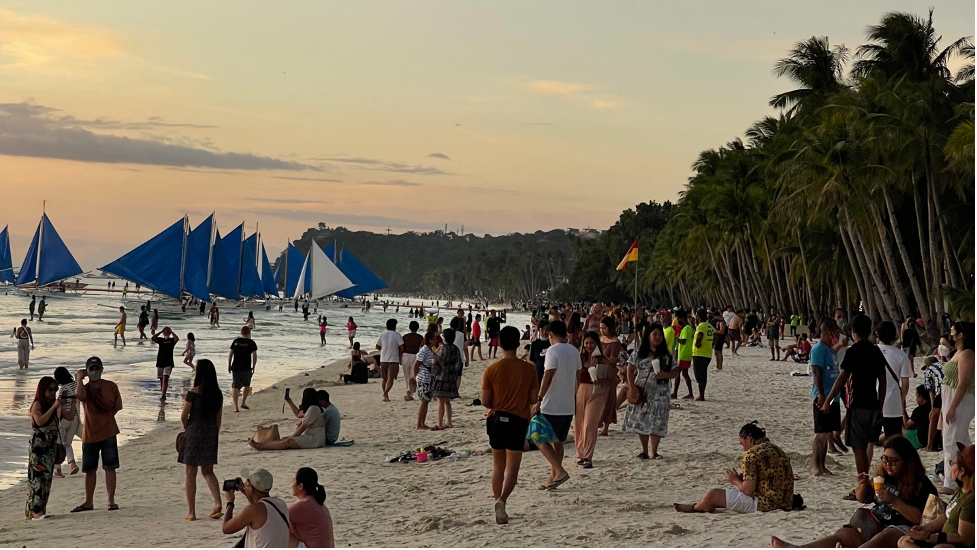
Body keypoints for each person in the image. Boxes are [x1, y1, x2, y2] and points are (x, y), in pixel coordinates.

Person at [772, 436, 938, 549]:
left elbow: (924, 519)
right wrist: (862, 486)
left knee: (882, 538)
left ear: (907, 461)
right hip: (874, 524)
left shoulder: (921, 484)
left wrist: (895, 501)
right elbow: (863, 499)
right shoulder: (883, 476)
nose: (888, 464)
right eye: (885, 459)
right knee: (841, 535)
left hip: (902, 529)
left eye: (893, 461)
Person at [481, 325, 539, 524]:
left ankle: (498, 502)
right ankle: (502, 501)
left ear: (500, 344)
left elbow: (486, 401)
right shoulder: (529, 369)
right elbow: (533, 398)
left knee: (498, 467)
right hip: (517, 421)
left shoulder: (491, 370)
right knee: (512, 469)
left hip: (496, 419)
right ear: (518, 344)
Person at [676, 421, 793, 515]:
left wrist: (735, 480)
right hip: (786, 502)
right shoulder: (778, 449)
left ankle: (697, 507)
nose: (743, 449)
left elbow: (748, 491)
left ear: (749, 440)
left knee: (713, 494)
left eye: (742, 444)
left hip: (765, 505)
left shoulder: (751, 455)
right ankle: (699, 505)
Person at [822, 314, 888, 475]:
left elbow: (842, 379)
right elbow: (883, 381)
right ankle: (864, 481)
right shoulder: (875, 351)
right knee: (866, 446)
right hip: (873, 404)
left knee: (858, 448)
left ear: (854, 331)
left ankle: (863, 482)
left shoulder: (853, 351)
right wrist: (881, 405)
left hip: (858, 405)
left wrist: (828, 401)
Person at [896, 443, 975, 549]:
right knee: (904, 541)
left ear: (961, 471)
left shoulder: (971, 500)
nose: (950, 466)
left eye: (953, 463)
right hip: (944, 538)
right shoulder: (960, 490)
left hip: (954, 543)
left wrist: (930, 537)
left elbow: (965, 538)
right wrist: (924, 528)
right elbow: (947, 515)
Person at [533, 320, 581, 489]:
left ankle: (559, 471)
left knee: (537, 436)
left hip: (552, 403)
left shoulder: (553, 350)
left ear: (550, 335)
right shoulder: (574, 350)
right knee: (558, 441)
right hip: (567, 404)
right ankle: (553, 477)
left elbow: (548, 376)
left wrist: (539, 398)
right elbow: (578, 376)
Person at [71, 357, 123, 513]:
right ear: (87, 371)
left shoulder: (111, 386)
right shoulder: (85, 388)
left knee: (110, 467)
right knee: (89, 470)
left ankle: (111, 500)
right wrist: (79, 379)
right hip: (90, 434)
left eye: (97, 368)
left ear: (102, 368)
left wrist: (105, 419)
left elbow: (117, 407)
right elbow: (79, 396)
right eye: (91, 368)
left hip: (109, 432)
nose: (95, 371)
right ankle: (89, 501)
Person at [623, 324, 681, 460]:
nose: (657, 337)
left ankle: (654, 451)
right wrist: (631, 387)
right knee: (642, 418)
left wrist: (665, 375)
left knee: (658, 418)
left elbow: (676, 371)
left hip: (661, 391)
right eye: (654, 334)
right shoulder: (639, 352)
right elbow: (630, 369)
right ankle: (644, 450)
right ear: (648, 336)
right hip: (643, 389)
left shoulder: (666, 354)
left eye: (660, 335)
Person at [179, 359, 224, 521]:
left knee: (190, 473)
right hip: (211, 433)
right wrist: (213, 434)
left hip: (194, 432)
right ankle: (218, 502)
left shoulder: (193, 392)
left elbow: (184, 416)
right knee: (208, 471)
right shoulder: (217, 394)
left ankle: (192, 512)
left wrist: (187, 429)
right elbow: (218, 420)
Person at [941, 322, 975, 493]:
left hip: (961, 400)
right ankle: (966, 473)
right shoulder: (959, 353)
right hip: (951, 398)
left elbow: (963, 382)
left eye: (953, 331)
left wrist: (953, 406)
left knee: (951, 439)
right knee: (958, 437)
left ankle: (951, 483)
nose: (950, 334)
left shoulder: (967, 354)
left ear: (961, 335)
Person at [222, 467, 290, 548]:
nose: (244, 486)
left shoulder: (253, 510)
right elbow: (258, 508)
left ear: (251, 489)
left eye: (246, 485)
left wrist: (230, 502)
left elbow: (226, 528)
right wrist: (244, 490)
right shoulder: (281, 503)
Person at [26, 376, 62, 520]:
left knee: (47, 478)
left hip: (51, 444)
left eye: (55, 389)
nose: (53, 393)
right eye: (50, 390)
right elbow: (40, 421)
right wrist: (53, 407)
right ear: (43, 390)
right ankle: (36, 511)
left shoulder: (52, 404)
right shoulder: (37, 404)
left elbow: (68, 417)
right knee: (37, 479)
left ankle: (38, 510)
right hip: (40, 444)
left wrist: (68, 404)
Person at [574, 332, 611, 468]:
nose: (589, 346)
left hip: (597, 392)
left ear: (597, 344)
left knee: (589, 424)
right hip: (581, 391)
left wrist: (601, 379)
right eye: (587, 343)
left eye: (592, 343)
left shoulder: (603, 360)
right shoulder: (579, 358)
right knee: (578, 424)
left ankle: (588, 456)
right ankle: (580, 454)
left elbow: (612, 380)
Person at [810, 320, 841, 477]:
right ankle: (817, 467)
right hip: (823, 396)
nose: (838, 335)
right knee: (820, 433)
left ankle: (823, 466)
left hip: (833, 397)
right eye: (835, 332)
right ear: (829, 333)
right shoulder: (818, 350)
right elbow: (817, 372)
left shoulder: (830, 350)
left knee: (827, 430)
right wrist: (821, 395)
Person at [249, 388, 326, 451]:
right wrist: (290, 402)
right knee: (284, 439)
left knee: (289, 441)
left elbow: (303, 427)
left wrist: (292, 437)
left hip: (315, 439)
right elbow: (298, 414)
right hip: (312, 436)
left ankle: (261, 446)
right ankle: (262, 445)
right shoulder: (312, 408)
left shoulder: (313, 409)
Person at [878, 321, 913, 441]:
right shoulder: (901, 355)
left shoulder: (871, 352)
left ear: (877, 334)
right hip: (893, 403)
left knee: (869, 442)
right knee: (893, 440)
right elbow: (905, 385)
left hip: (873, 401)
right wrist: (901, 399)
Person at [288, 468, 335, 548]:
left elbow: (277, 517)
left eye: (294, 480)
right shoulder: (316, 503)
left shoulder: (303, 505)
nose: (291, 483)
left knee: (278, 529)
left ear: (300, 486)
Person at [229, 327, 258, 413]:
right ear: (249, 333)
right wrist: (254, 366)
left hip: (236, 367)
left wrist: (229, 365)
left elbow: (230, 354)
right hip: (246, 367)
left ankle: (236, 407)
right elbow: (254, 355)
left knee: (235, 386)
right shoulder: (251, 342)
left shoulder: (236, 341)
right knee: (246, 385)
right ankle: (243, 402)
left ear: (241, 332)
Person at [413, 331, 438, 429]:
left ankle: (422, 423)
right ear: (430, 340)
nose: (436, 341)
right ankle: (419, 424)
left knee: (426, 401)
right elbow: (417, 364)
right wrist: (415, 377)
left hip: (428, 378)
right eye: (434, 339)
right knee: (424, 401)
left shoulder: (430, 350)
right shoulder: (424, 350)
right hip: (423, 378)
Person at [376, 319, 404, 403]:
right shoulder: (397, 335)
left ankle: (385, 394)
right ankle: (385, 393)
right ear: (394, 326)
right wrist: (400, 356)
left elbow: (377, 346)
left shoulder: (382, 334)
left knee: (384, 378)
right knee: (390, 378)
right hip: (393, 359)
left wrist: (383, 349)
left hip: (383, 359)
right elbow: (402, 347)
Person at [691, 309, 716, 401]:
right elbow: (716, 334)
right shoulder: (709, 325)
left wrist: (698, 343)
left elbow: (700, 335)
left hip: (699, 353)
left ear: (698, 317)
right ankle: (702, 394)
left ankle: (701, 395)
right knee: (703, 373)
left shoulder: (701, 326)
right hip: (707, 353)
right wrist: (712, 344)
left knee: (700, 374)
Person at [921, 356, 944, 452]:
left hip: (943, 390)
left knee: (935, 417)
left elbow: (931, 391)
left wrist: (932, 408)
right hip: (954, 389)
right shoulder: (944, 364)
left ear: (927, 365)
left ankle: (929, 446)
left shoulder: (929, 370)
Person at [152, 327, 179, 402]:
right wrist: (161, 331)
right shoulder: (161, 340)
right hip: (160, 361)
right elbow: (153, 338)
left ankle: (163, 395)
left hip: (169, 362)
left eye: (167, 332)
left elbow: (177, 338)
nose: (166, 333)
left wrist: (171, 331)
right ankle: (163, 394)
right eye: (165, 332)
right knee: (161, 379)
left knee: (165, 379)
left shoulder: (171, 340)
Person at [672, 310, 695, 400]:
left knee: (678, 373)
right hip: (685, 353)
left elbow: (683, 341)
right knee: (685, 374)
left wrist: (675, 337)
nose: (677, 320)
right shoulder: (687, 328)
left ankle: (675, 393)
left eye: (678, 318)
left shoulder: (686, 328)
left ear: (682, 318)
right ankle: (690, 393)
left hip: (684, 354)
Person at [401, 321, 423, 401]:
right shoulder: (420, 337)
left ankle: (408, 391)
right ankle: (409, 393)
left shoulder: (405, 337)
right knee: (413, 376)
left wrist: (400, 357)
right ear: (417, 328)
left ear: (409, 327)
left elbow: (401, 348)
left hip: (405, 355)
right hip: (415, 356)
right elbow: (421, 349)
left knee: (406, 375)